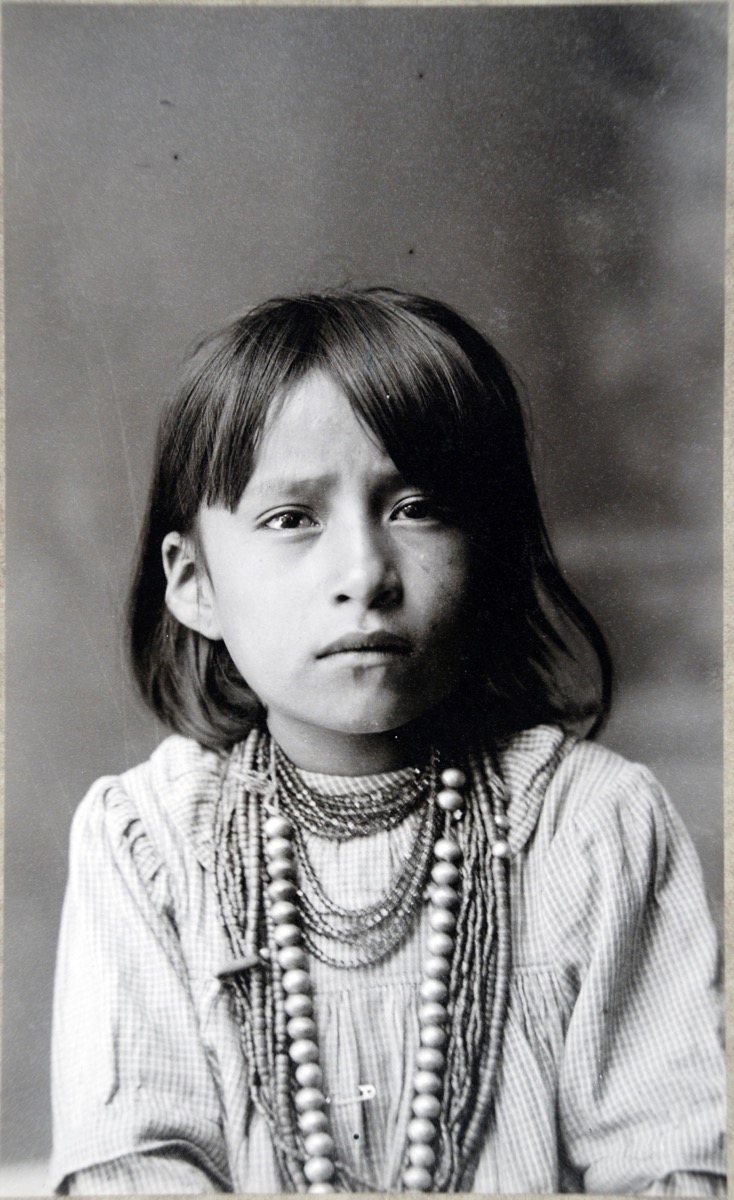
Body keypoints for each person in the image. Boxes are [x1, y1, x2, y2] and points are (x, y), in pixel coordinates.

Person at [50, 288, 725, 1195]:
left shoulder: (590, 828)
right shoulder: (152, 846)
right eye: (293, 519)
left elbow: (675, 1164)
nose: (365, 573)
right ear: (193, 583)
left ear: (488, 554)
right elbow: (134, 1168)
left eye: (417, 507)